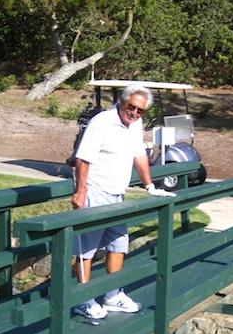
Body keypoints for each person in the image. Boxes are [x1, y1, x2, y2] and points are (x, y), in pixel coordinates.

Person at [71, 84, 176, 320]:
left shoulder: (135, 124)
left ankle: (112, 295)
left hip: (117, 194)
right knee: (86, 249)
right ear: (122, 102)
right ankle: (84, 299)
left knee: (118, 245)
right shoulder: (102, 122)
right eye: (132, 108)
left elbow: (139, 155)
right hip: (95, 191)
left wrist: (150, 186)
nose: (135, 113)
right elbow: (83, 158)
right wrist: (80, 191)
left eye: (140, 111)